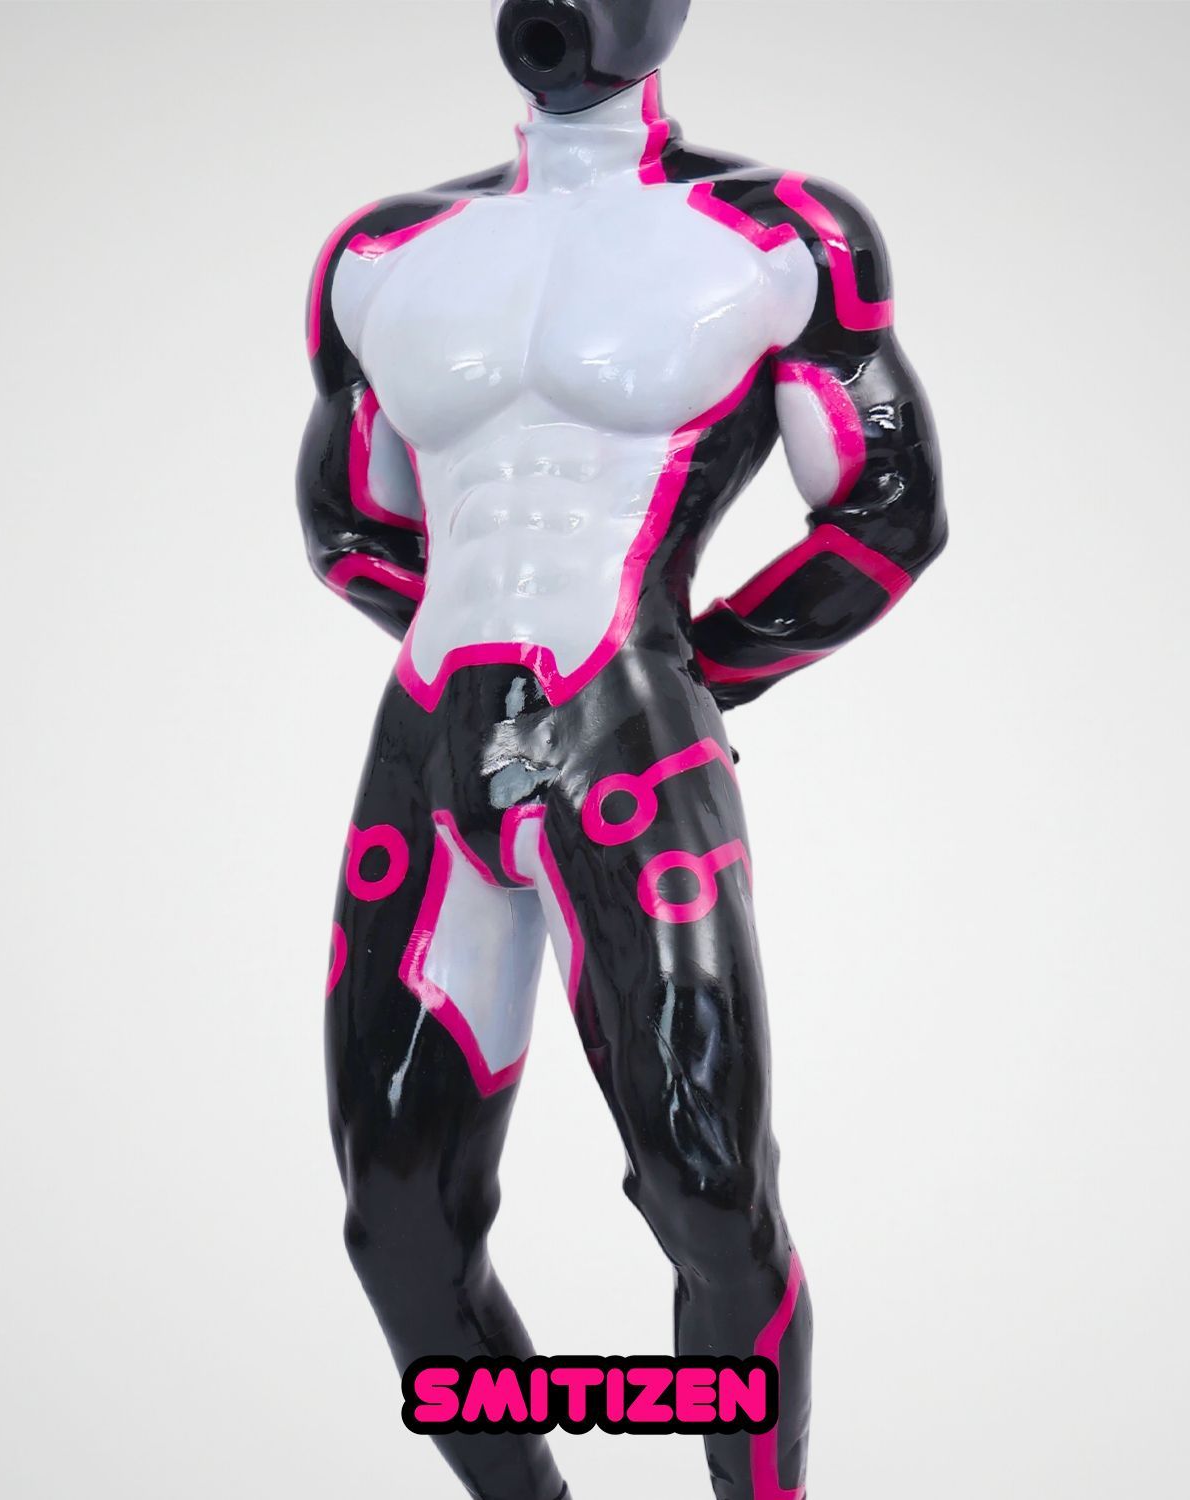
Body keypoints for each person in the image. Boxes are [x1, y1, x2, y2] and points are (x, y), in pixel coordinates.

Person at [297, 2, 946, 1495]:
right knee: (395, 1222)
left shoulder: (782, 235)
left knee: (709, 1193)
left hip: (630, 740)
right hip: (431, 749)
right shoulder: (380, 253)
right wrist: (506, 669)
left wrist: (683, 675)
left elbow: (887, 510)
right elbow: (348, 525)